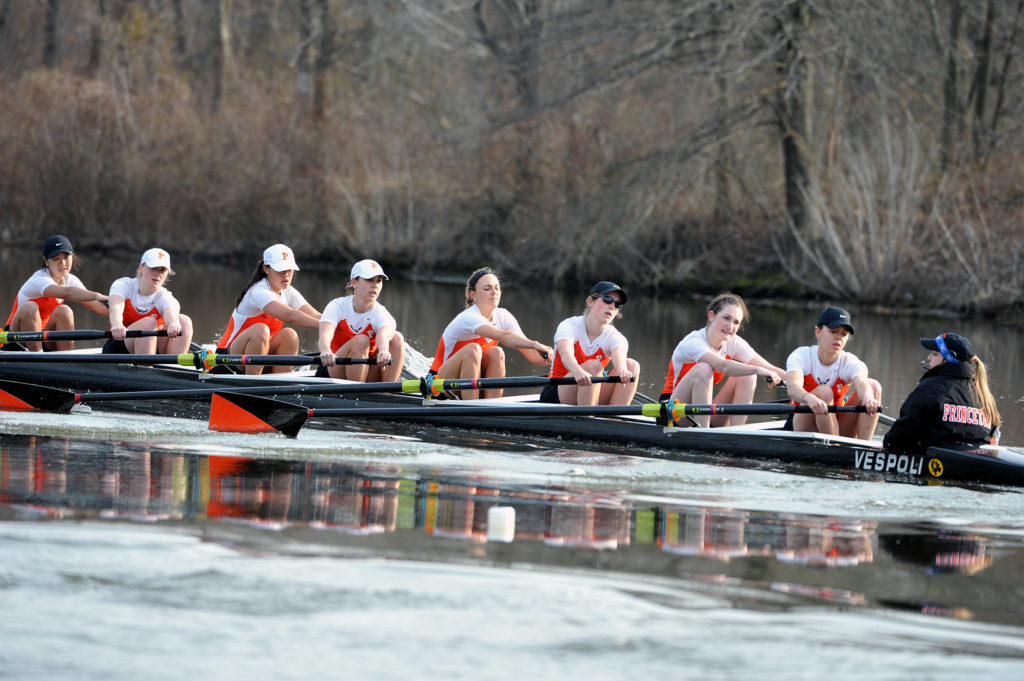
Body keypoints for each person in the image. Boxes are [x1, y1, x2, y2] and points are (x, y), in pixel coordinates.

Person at [661, 292, 785, 428]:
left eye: (736, 322)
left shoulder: (735, 343)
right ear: (711, 316)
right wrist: (757, 369)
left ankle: (737, 434)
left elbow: (771, 369)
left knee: (748, 376)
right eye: (726, 318)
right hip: (673, 412)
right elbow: (722, 366)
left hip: (702, 411)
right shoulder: (694, 341)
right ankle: (704, 434)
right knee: (704, 368)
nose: (731, 327)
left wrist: (804, 390)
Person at [429, 267, 553, 400]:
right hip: (440, 385)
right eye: (487, 289)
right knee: (473, 350)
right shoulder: (468, 317)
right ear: (473, 295)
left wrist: (558, 359)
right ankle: (471, 408)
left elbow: (532, 354)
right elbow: (504, 337)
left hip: (471, 383)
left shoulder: (503, 315)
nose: (494, 292)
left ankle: (492, 405)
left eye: (497, 288)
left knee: (497, 352)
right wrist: (535, 344)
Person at [883, 333, 1001, 453]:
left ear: (948, 358)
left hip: (939, 465)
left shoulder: (930, 388)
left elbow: (895, 440)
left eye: (935, 354)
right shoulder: (983, 394)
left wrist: (888, 444)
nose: (929, 358)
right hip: (979, 464)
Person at [216, 244, 321, 374]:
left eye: (289, 269)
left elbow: (316, 316)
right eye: (280, 269)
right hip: (226, 361)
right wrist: (323, 325)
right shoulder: (258, 291)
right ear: (266, 269)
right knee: (261, 330)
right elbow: (291, 316)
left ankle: (282, 385)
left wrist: (337, 324)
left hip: (258, 356)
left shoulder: (288, 292)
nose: (286, 274)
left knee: (290, 335)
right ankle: (252, 384)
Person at [785, 306, 882, 440]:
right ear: (818, 332)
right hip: (802, 421)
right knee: (824, 392)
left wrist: (869, 399)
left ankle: (865, 450)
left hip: (836, 423)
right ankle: (834, 447)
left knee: (874, 386)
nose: (839, 338)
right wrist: (809, 398)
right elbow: (793, 388)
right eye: (833, 331)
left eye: (843, 334)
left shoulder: (850, 361)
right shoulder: (801, 355)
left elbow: (863, 384)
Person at [540, 281, 639, 406]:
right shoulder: (569, 326)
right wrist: (577, 371)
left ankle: (616, 420)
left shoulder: (615, 336)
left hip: (591, 392)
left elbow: (619, 356)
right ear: (590, 301)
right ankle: (588, 419)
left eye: (617, 304)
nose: (612, 306)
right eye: (607, 300)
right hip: (557, 392)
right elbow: (566, 354)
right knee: (594, 366)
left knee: (632, 366)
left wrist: (622, 370)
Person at [4, 235, 109, 351]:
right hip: (17, 338)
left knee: (65, 311)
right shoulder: (39, 279)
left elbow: (102, 309)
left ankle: (66, 360)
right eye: (56, 258)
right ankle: (38, 357)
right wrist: (98, 295)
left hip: (45, 336)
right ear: (46, 261)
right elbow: (68, 293)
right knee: (30, 307)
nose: (62, 263)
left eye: (66, 257)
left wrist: (120, 307)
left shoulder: (71, 280)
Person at [317, 259, 404, 382]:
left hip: (366, 372)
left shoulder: (381, 313)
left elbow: (384, 336)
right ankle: (357, 394)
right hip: (332, 368)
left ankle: (387, 393)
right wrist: (326, 351)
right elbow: (324, 336)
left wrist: (384, 351)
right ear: (354, 282)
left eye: (378, 281)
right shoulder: (337, 306)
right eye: (369, 280)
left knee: (397, 339)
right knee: (361, 340)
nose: (375, 285)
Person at [104, 248, 194, 355]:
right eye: (153, 268)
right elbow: (115, 309)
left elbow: (171, 312)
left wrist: (173, 323)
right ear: (141, 267)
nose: (157, 274)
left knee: (184, 321)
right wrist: (117, 324)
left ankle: (171, 366)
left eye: (162, 270)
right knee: (149, 322)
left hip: (152, 347)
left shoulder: (165, 296)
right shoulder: (123, 285)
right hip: (119, 344)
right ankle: (148, 368)